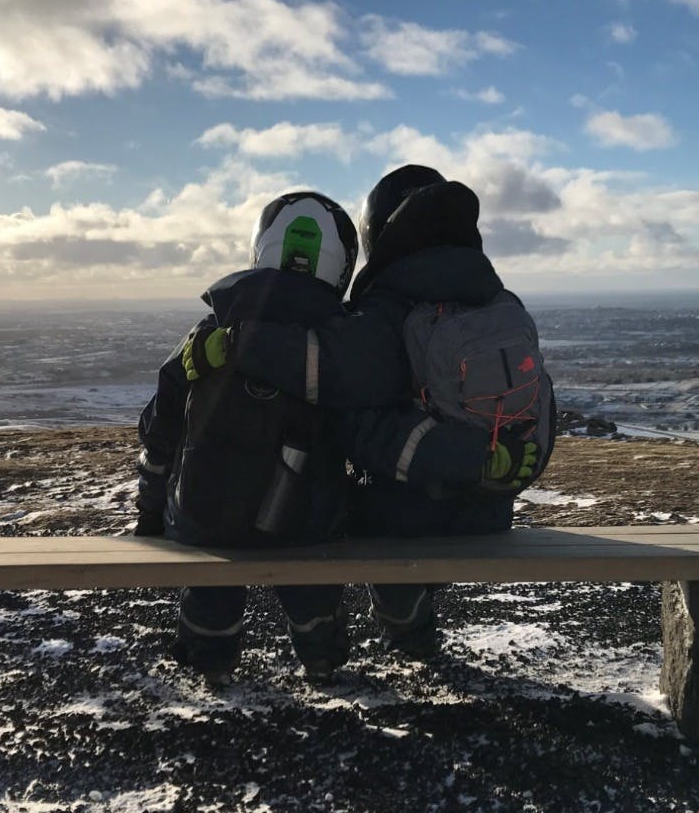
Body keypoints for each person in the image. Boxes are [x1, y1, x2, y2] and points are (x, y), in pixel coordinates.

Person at [182, 165, 554, 659]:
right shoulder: (497, 299)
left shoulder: (389, 310)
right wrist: (499, 471)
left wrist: (238, 343)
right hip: (490, 513)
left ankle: (401, 630)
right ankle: (407, 633)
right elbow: (537, 401)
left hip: (411, 518)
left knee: (342, 491)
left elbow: (327, 371)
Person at [135, 190, 497, 682]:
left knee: (209, 574)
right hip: (304, 529)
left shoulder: (211, 331)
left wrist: (151, 512)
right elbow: (361, 435)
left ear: (262, 244)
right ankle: (320, 655)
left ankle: (210, 660)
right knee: (314, 567)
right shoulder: (341, 342)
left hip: (204, 523)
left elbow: (159, 428)